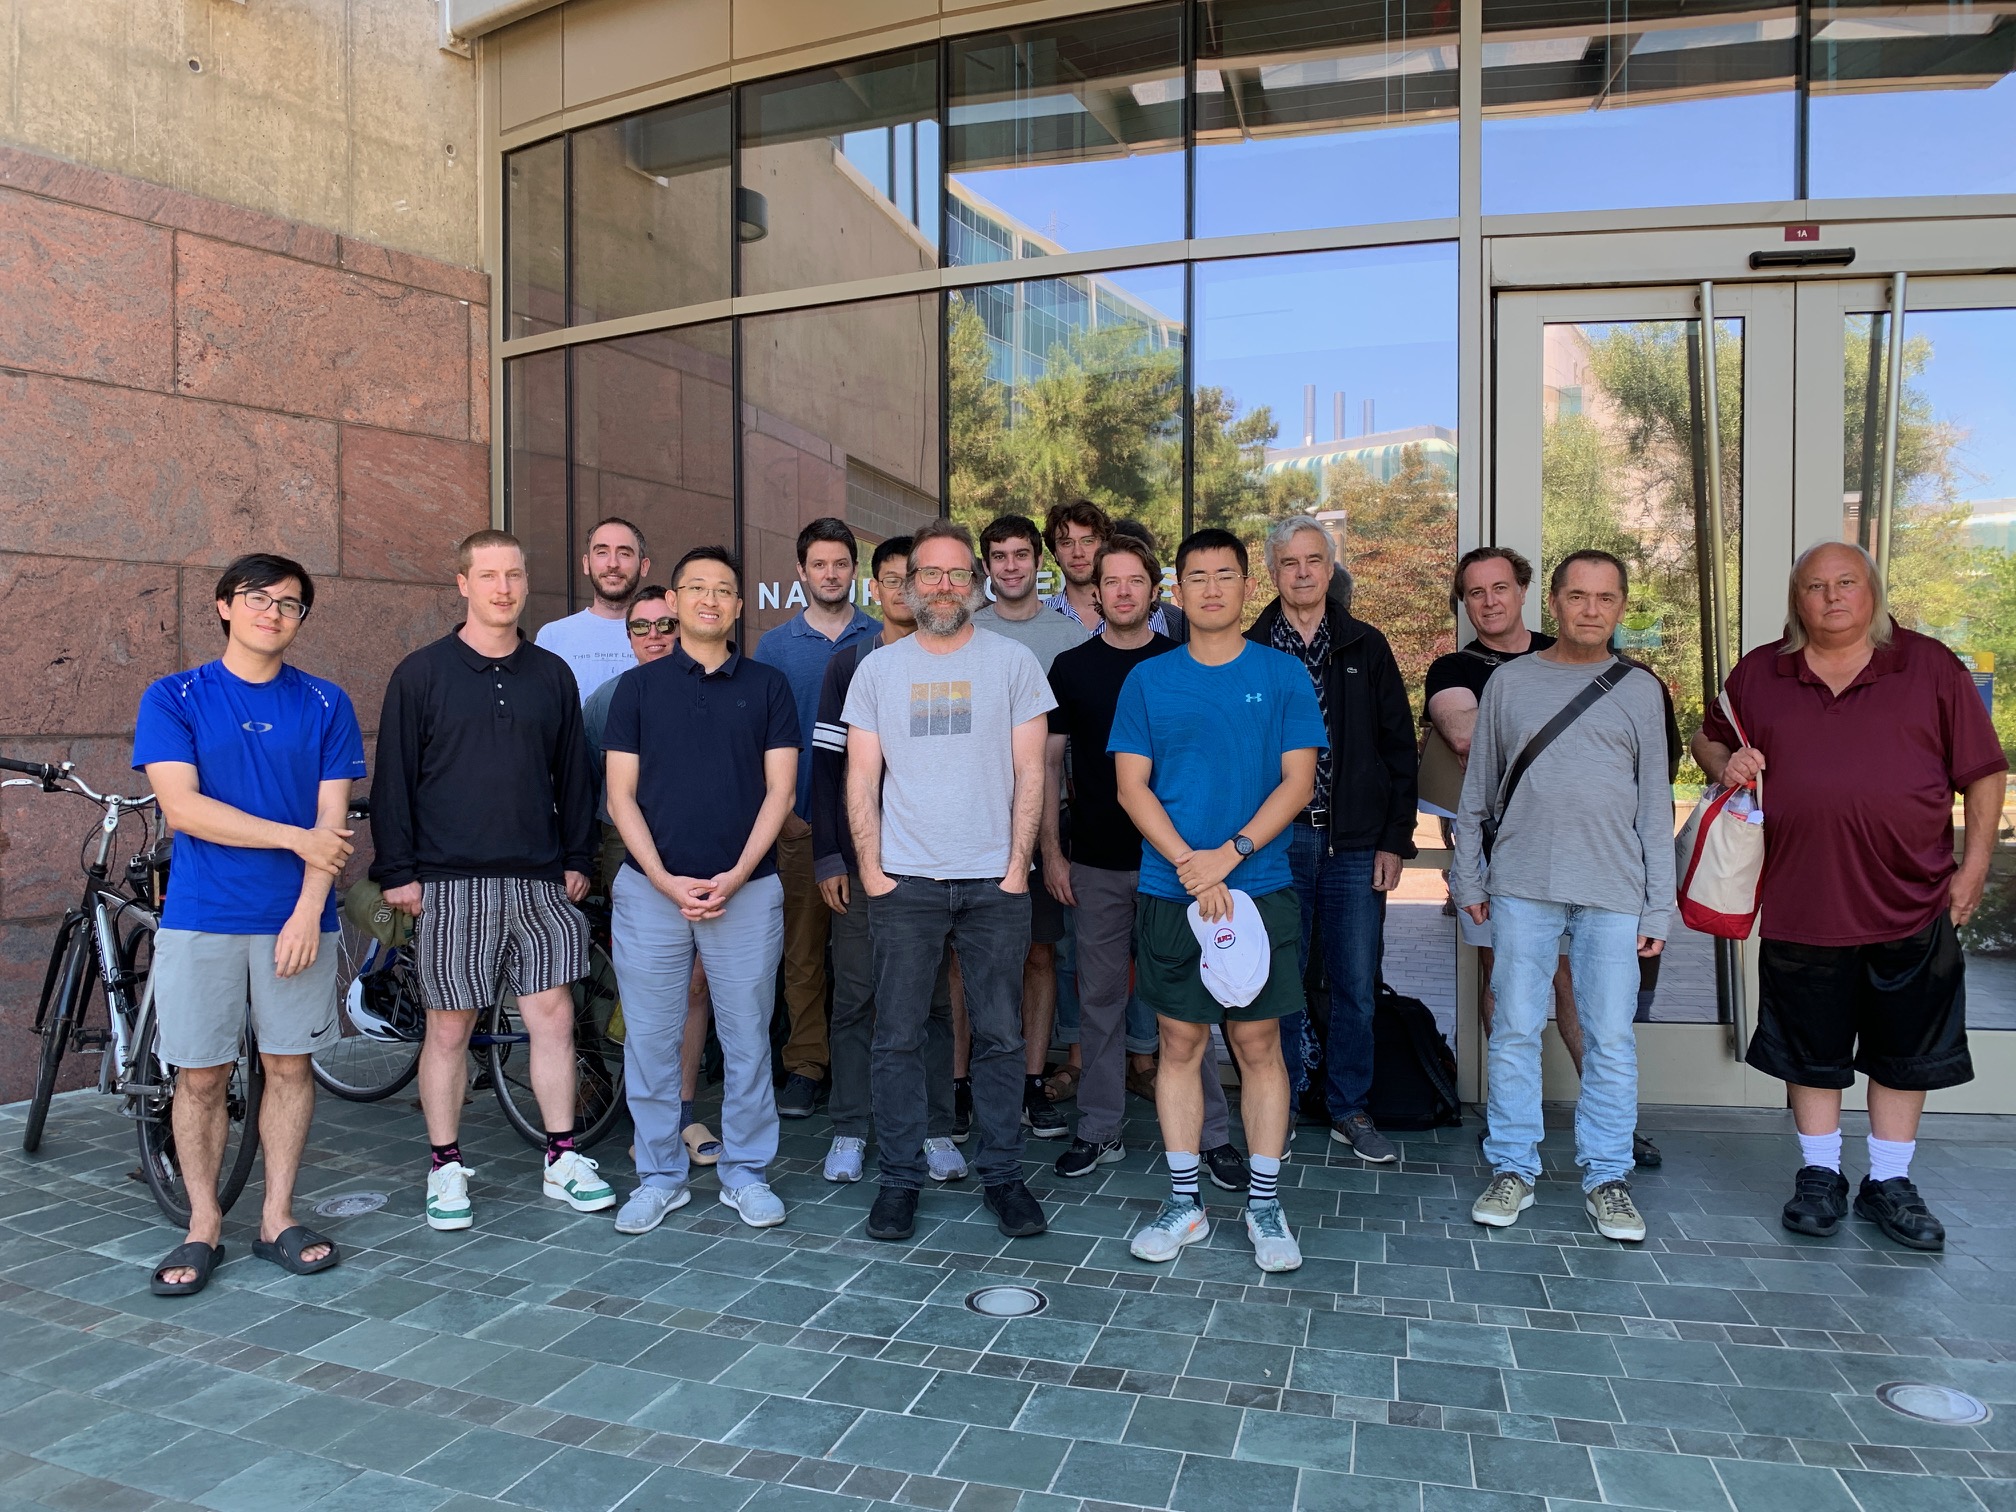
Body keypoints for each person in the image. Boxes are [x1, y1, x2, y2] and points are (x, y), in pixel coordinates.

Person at [1694, 541, 2007, 1252]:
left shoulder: (1930, 665)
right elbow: (1707, 742)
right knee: (1811, 1049)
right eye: (1815, 586)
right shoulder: (1759, 672)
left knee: (1906, 1049)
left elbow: (1985, 772)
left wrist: (1974, 868)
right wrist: (1727, 760)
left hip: (1913, 900)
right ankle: (1820, 1174)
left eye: (1846, 582)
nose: (1832, 596)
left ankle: (1889, 1182)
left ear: (1872, 591)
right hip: (1802, 902)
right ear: (1796, 599)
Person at [135, 554, 365, 1296]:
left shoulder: (326, 702)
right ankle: (203, 1222)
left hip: (297, 918)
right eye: (258, 598)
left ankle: (276, 1216)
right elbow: (183, 809)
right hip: (203, 915)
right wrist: (294, 839)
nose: (274, 612)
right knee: (201, 1076)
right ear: (224, 606)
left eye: (290, 604)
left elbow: (333, 826)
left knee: (290, 1068)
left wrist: (306, 910)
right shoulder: (175, 696)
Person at [371, 529, 611, 1233]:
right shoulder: (421, 674)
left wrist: (578, 858)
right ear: (463, 584)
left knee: (554, 1018)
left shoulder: (552, 675)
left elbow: (574, 776)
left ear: (526, 583)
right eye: (488, 575)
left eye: (514, 575)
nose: (503, 588)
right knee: (450, 1026)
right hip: (450, 881)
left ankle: (561, 1157)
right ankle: (445, 1166)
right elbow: (393, 782)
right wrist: (397, 871)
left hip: (539, 880)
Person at [1114, 528, 1326, 1275]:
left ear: (1246, 585)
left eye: (1225, 575)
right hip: (1169, 890)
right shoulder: (1148, 680)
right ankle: (1185, 1204)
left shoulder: (1282, 675)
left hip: (1258, 889)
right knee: (1179, 1043)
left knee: (1259, 1044)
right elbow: (1131, 786)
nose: (1211, 589)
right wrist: (1189, 865)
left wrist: (1228, 858)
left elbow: (1298, 783)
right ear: (1177, 590)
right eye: (1196, 577)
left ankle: (1265, 1206)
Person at [1451, 550, 1673, 1244]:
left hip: (1613, 891)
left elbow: (1655, 806)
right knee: (1516, 1030)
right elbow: (1476, 794)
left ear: (1621, 606)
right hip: (1523, 885)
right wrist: (1468, 878)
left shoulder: (1642, 690)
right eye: (1578, 596)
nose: (1591, 609)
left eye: (1605, 598)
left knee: (1610, 1038)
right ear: (1554, 601)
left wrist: (1658, 905)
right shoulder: (1510, 683)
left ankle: (1607, 1177)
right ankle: (1512, 1167)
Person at [843, 519, 1053, 1243]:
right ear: (907, 586)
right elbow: (861, 778)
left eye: (956, 574)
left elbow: (1032, 772)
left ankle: (1004, 1177)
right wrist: (872, 871)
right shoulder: (879, 671)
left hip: (994, 883)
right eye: (927, 574)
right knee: (897, 1037)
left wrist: (1017, 866)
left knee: (1000, 1036)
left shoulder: (1013, 664)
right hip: (905, 883)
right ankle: (899, 1180)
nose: (941, 586)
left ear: (976, 584)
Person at [604, 547, 799, 1233]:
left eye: (723, 590)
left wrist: (737, 874)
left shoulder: (769, 686)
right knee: (651, 1041)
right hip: (650, 892)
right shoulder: (637, 689)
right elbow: (620, 797)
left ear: (740, 606)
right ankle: (660, 1175)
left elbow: (781, 792)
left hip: (746, 889)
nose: (709, 599)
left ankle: (745, 1171)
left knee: (747, 1038)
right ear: (675, 601)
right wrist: (663, 879)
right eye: (696, 587)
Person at [1046, 536, 1246, 1189]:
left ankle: (1212, 1137)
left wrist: (1216, 856)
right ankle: (1098, 1128)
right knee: (1100, 1000)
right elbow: (1049, 768)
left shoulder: (1183, 663)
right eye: (1113, 582)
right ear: (1095, 592)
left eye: (1136, 581)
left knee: (1190, 1001)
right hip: (1098, 862)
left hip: (1179, 866)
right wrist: (1052, 852)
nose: (1124, 592)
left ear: (1154, 591)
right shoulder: (1071, 669)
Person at [1246, 516, 1418, 1165]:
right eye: (1290, 562)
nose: (1302, 573)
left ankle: (1349, 1107)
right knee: (1280, 983)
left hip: (1353, 845)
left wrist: (1394, 840)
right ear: (1274, 572)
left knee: (1355, 985)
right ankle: (1282, 1103)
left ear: (1329, 567)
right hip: (1275, 843)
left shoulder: (1366, 646)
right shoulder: (1249, 650)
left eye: (1313, 560)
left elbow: (1399, 749)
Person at [810, 537, 966, 1185]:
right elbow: (826, 769)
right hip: (860, 862)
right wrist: (829, 855)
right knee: (855, 996)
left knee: (930, 1003)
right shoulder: (849, 665)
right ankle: (850, 1127)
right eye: (893, 580)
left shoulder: (954, 662)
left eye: (915, 578)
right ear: (876, 590)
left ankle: (935, 1128)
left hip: (927, 865)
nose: (906, 590)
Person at [581, 584, 719, 1168]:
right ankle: (646, 1116)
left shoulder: (713, 687)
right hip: (625, 849)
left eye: (666, 624)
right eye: (642, 627)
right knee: (644, 988)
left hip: (704, 848)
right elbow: (586, 785)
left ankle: (681, 1113)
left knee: (695, 984)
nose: (656, 636)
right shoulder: (607, 700)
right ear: (628, 636)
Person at [754, 518, 880, 1120]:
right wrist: (782, 818)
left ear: (855, 571)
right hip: (800, 822)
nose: (831, 574)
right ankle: (806, 1065)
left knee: (868, 959)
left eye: (841, 564)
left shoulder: (880, 638)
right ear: (801, 572)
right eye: (819, 565)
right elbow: (757, 737)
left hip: (870, 828)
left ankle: (868, 1065)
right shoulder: (776, 646)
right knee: (803, 955)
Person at [974, 513, 1086, 1140]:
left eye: (1021, 554)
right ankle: (967, 1084)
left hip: (1049, 819)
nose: (1011, 566)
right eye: (999, 556)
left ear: (1038, 561)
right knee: (969, 960)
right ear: (987, 565)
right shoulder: (969, 630)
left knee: (1041, 953)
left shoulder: (1068, 638)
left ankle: (1032, 1081)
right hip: (977, 820)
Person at [535, 516, 653, 704]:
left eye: (624, 553)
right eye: (602, 552)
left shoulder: (663, 636)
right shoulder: (552, 637)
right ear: (586, 563)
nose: (613, 564)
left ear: (644, 566)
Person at [1043, 499, 1177, 637]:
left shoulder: (1144, 612)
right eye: (1066, 543)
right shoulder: (1042, 617)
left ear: (1104, 545)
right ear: (1055, 552)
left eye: (1088, 541)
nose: (1078, 553)